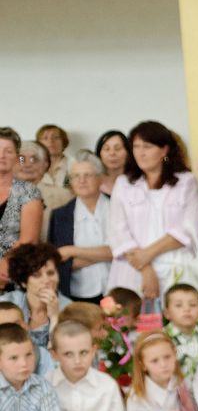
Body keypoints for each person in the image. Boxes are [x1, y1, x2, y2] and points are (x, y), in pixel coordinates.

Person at [107, 120, 198, 302]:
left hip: (177, 265)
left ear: (164, 150)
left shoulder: (186, 182)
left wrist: (147, 254)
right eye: (136, 147)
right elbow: (118, 230)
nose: (140, 153)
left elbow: (189, 228)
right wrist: (146, 268)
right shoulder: (123, 184)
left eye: (147, 147)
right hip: (134, 269)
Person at [48, 151, 114, 302]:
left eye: (88, 175)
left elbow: (124, 251)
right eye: (76, 176)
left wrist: (73, 250)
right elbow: (59, 261)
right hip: (77, 295)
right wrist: (106, 254)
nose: (81, 181)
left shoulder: (118, 207)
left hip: (118, 290)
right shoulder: (60, 215)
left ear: (100, 178)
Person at [1, 242, 64, 367]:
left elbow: (62, 357)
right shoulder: (7, 302)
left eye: (50, 273)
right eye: (36, 275)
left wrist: (55, 317)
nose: (46, 280)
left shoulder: (69, 308)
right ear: (24, 282)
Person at [0, 127, 45, 256]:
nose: (2, 156)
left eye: (8, 151)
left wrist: (3, 264)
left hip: (13, 263)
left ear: (16, 157)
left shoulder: (28, 192)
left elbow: (28, 242)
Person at [162, 282, 198, 381]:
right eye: (178, 305)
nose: (187, 309)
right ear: (167, 313)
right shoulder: (161, 338)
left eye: (192, 305)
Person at [17, 141, 70, 214]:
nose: (27, 165)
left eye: (34, 159)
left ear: (46, 164)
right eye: (21, 159)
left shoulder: (64, 197)